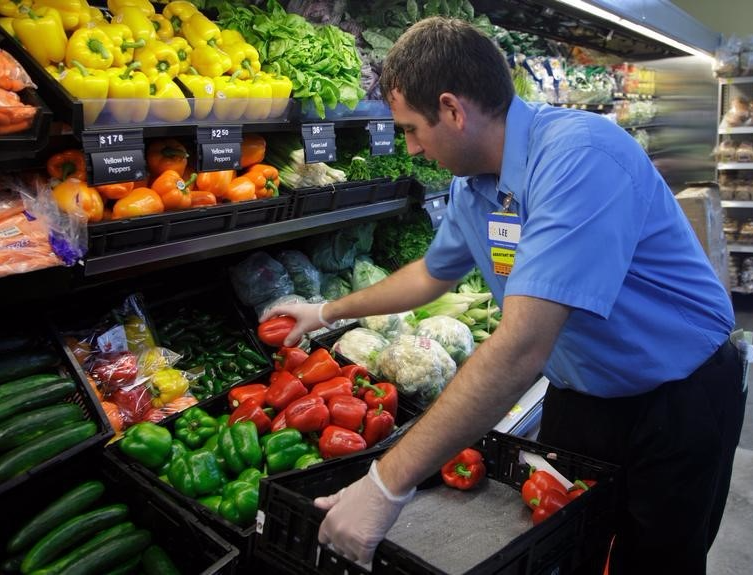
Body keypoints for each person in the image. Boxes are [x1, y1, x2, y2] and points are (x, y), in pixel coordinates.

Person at [261, 16, 747, 575]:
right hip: (582, 394)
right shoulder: (475, 187)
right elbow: (430, 274)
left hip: (676, 397)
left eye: (413, 130)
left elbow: (520, 347)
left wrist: (385, 485)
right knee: (569, 547)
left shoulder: (579, 157)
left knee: (656, 561)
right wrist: (324, 311)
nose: (413, 149)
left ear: (452, 109)